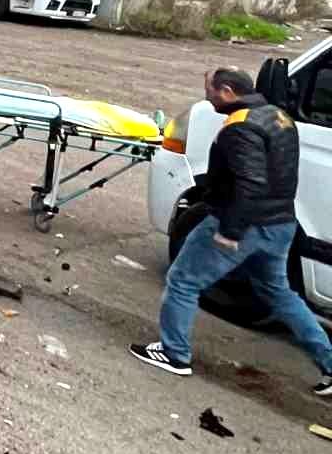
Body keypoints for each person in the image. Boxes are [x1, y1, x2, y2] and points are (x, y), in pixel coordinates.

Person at [132, 69, 332, 396]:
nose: (207, 96)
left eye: (209, 90)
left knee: (183, 280)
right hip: (280, 224)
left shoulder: (239, 128)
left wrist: (230, 230)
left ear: (227, 91)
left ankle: (174, 354)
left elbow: (249, 184)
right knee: (277, 292)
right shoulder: (277, 116)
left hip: (243, 224)